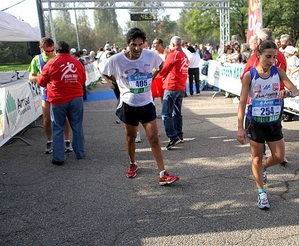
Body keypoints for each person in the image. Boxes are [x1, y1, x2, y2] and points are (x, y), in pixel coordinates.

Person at [102, 27, 179, 185]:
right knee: (131, 137)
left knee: (154, 139)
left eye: (140, 45)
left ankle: (162, 173)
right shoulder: (116, 59)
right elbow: (103, 70)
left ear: (144, 44)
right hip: (128, 104)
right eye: (133, 45)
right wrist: (116, 82)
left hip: (146, 104)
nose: (137, 49)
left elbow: (161, 65)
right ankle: (132, 163)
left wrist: (152, 77)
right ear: (127, 44)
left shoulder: (150, 55)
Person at [237, 40, 299, 210]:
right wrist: (240, 127)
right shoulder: (250, 75)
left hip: (273, 121)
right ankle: (261, 193)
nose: (272, 61)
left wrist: (288, 92)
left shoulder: (278, 72)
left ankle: (264, 167)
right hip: (255, 122)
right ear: (258, 55)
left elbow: (295, 90)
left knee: (279, 157)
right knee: (256, 158)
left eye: (274, 57)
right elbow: (242, 102)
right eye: (268, 57)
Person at [36, 41, 86, 165]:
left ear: (56, 51)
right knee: (77, 125)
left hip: (58, 100)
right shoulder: (77, 63)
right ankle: (80, 152)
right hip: (76, 98)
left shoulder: (51, 63)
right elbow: (83, 79)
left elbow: (41, 82)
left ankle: (58, 158)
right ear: (69, 50)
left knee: (58, 127)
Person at [28, 37, 72, 154]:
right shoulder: (37, 59)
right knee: (47, 119)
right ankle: (49, 141)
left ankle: (67, 140)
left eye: (52, 50)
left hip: (59, 93)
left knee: (64, 118)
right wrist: (41, 78)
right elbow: (31, 76)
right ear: (41, 48)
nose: (50, 53)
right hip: (46, 93)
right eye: (47, 51)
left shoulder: (57, 56)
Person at [159, 36, 189, 150]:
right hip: (181, 87)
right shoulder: (184, 56)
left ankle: (173, 136)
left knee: (166, 114)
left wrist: (158, 75)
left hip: (172, 86)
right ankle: (179, 135)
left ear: (172, 44)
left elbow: (164, 69)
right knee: (177, 112)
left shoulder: (173, 54)